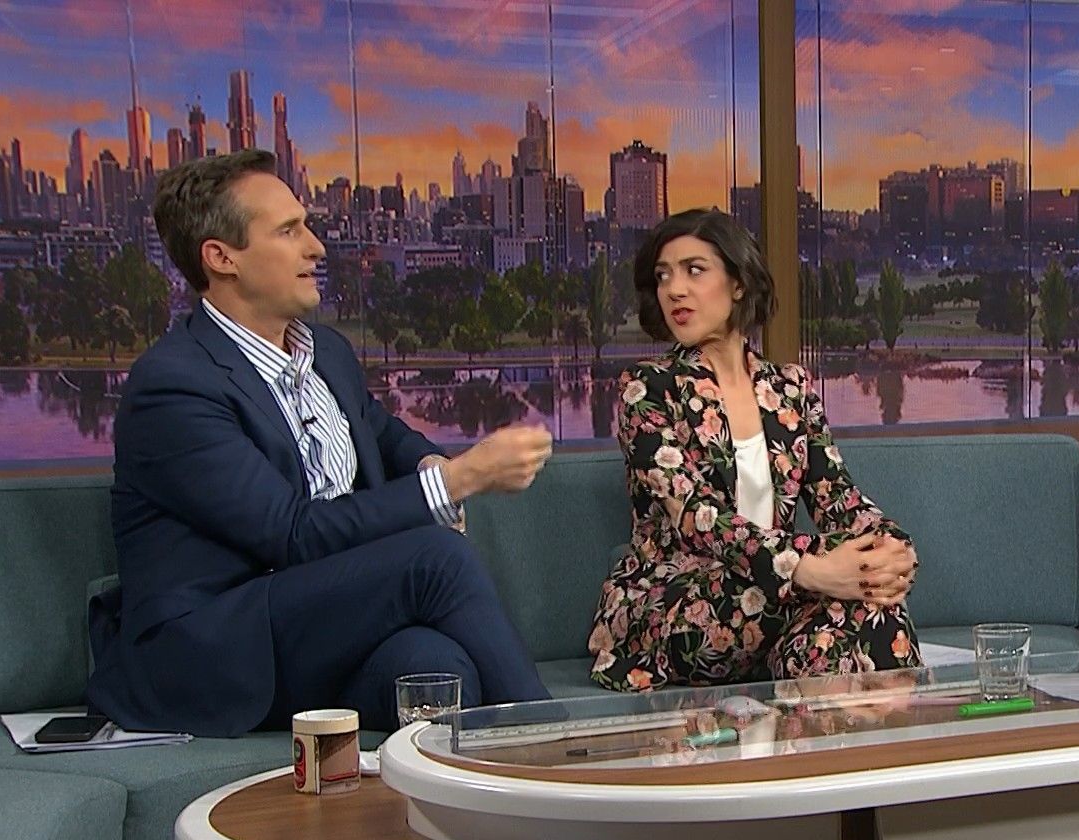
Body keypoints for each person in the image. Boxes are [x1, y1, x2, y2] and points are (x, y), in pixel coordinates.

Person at [86, 149, 552, 737]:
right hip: (219, 649)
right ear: (222, 257)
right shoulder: (173, 386)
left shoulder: (325, 351)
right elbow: (291, 534)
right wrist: (459, 478)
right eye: (288, 231)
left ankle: (466, 792)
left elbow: (380, 432)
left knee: (437, 670)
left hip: (329, 628)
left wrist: (425, 459)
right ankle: (558, 751)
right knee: (436, 558)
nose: (316, 248)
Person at [589, 209, 921, 692]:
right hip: (680, 604)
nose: (675, 289)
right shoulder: (646, 389)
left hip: (776, 608)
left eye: (694, 270)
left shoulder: (790, 389)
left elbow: (839, 498)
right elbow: (699, 519)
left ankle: (847, 711)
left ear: (739, 283)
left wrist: (892, 549)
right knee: (827, 592)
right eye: (663, 276)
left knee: (866, 608)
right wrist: (810, 569)